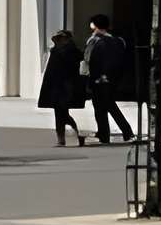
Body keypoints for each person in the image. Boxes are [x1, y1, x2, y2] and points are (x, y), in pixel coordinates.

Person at [84, 14, 136, 146]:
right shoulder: (116, 40)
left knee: (101, 106)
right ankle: (121, 131)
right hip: (113, 79)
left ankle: (108, 133)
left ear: (94, 25)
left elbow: (88, 60)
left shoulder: (94, 41)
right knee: (109, 104)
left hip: (98, 79)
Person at [37, 28, 88, 146]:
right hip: (56, 86)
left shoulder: (71, 51)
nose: (59, 40)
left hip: (66, 86)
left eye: (62, 38)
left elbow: (71, 67)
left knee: (62, 113)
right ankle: (66, 137)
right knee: (60, 113)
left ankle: (72, 135)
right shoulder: (56, 50)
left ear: (67, 39)